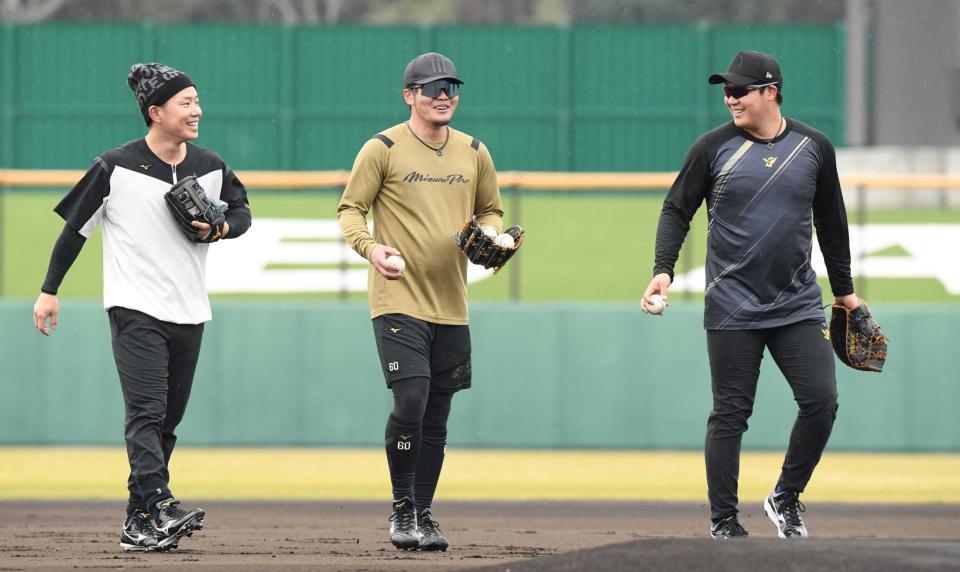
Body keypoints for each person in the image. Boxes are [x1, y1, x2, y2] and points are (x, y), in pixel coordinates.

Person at [32, 63, 252, 552]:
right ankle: (161, 501)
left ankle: (138, 522)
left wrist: (220, 228)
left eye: (197, 101)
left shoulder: (211, 165)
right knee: (146, 412)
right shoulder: (114, 165)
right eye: (186, 103)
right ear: (155, 112)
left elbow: (242, 212)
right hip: (134, 308)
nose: (197, 110)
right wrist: (50, 290)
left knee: (166, 421)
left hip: (191, 310)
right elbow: (74, 231)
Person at [642, 50, 859, 539]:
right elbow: (677, 209)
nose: (730, 97)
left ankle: (785, 497)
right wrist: (663, 270)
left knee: (821, 399)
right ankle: (723, 521)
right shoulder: (712, 147)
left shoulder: (814, 147)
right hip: (732, 303)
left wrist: (844, 293)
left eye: (740, 90)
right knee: (731, 413)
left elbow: (832, 221)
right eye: (726, 90)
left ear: (770, 92)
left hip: (796, 303)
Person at [337, 52, 505, 551]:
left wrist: (491, 233)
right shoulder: (383, 147)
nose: (443, 96)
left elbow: (491, 208)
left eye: (451, 87)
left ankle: (423, 514)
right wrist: (371, 249)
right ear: (409, 95)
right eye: (431, 88)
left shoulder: (474, 151)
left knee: (437, 413)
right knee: (410, 399)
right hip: (398, 297)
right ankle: (402, 507)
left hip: (452, 302)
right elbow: (350, 209)